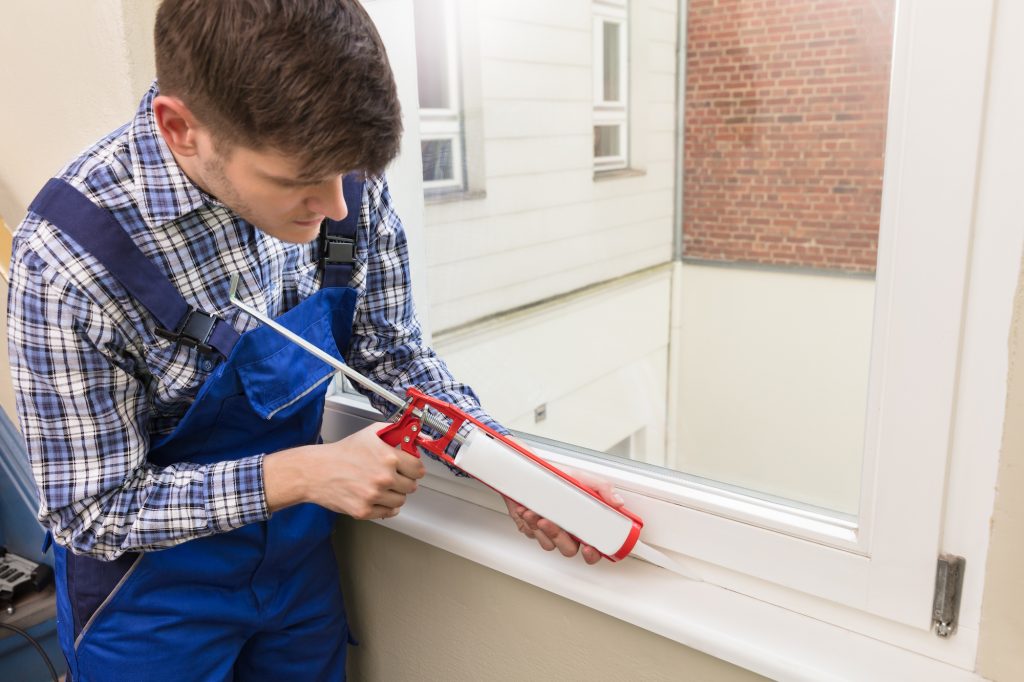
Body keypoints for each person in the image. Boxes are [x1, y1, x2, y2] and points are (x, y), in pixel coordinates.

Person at [7, 1, 624, 680]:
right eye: (298, 182)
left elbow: (391, 355)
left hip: (295, 572)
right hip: (146, 602)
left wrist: (506, 469)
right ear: (181, 130)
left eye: (347, 176)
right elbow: (91, 511)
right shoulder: (66, 263)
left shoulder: (340, 171)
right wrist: (302, 473)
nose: (336, 207)